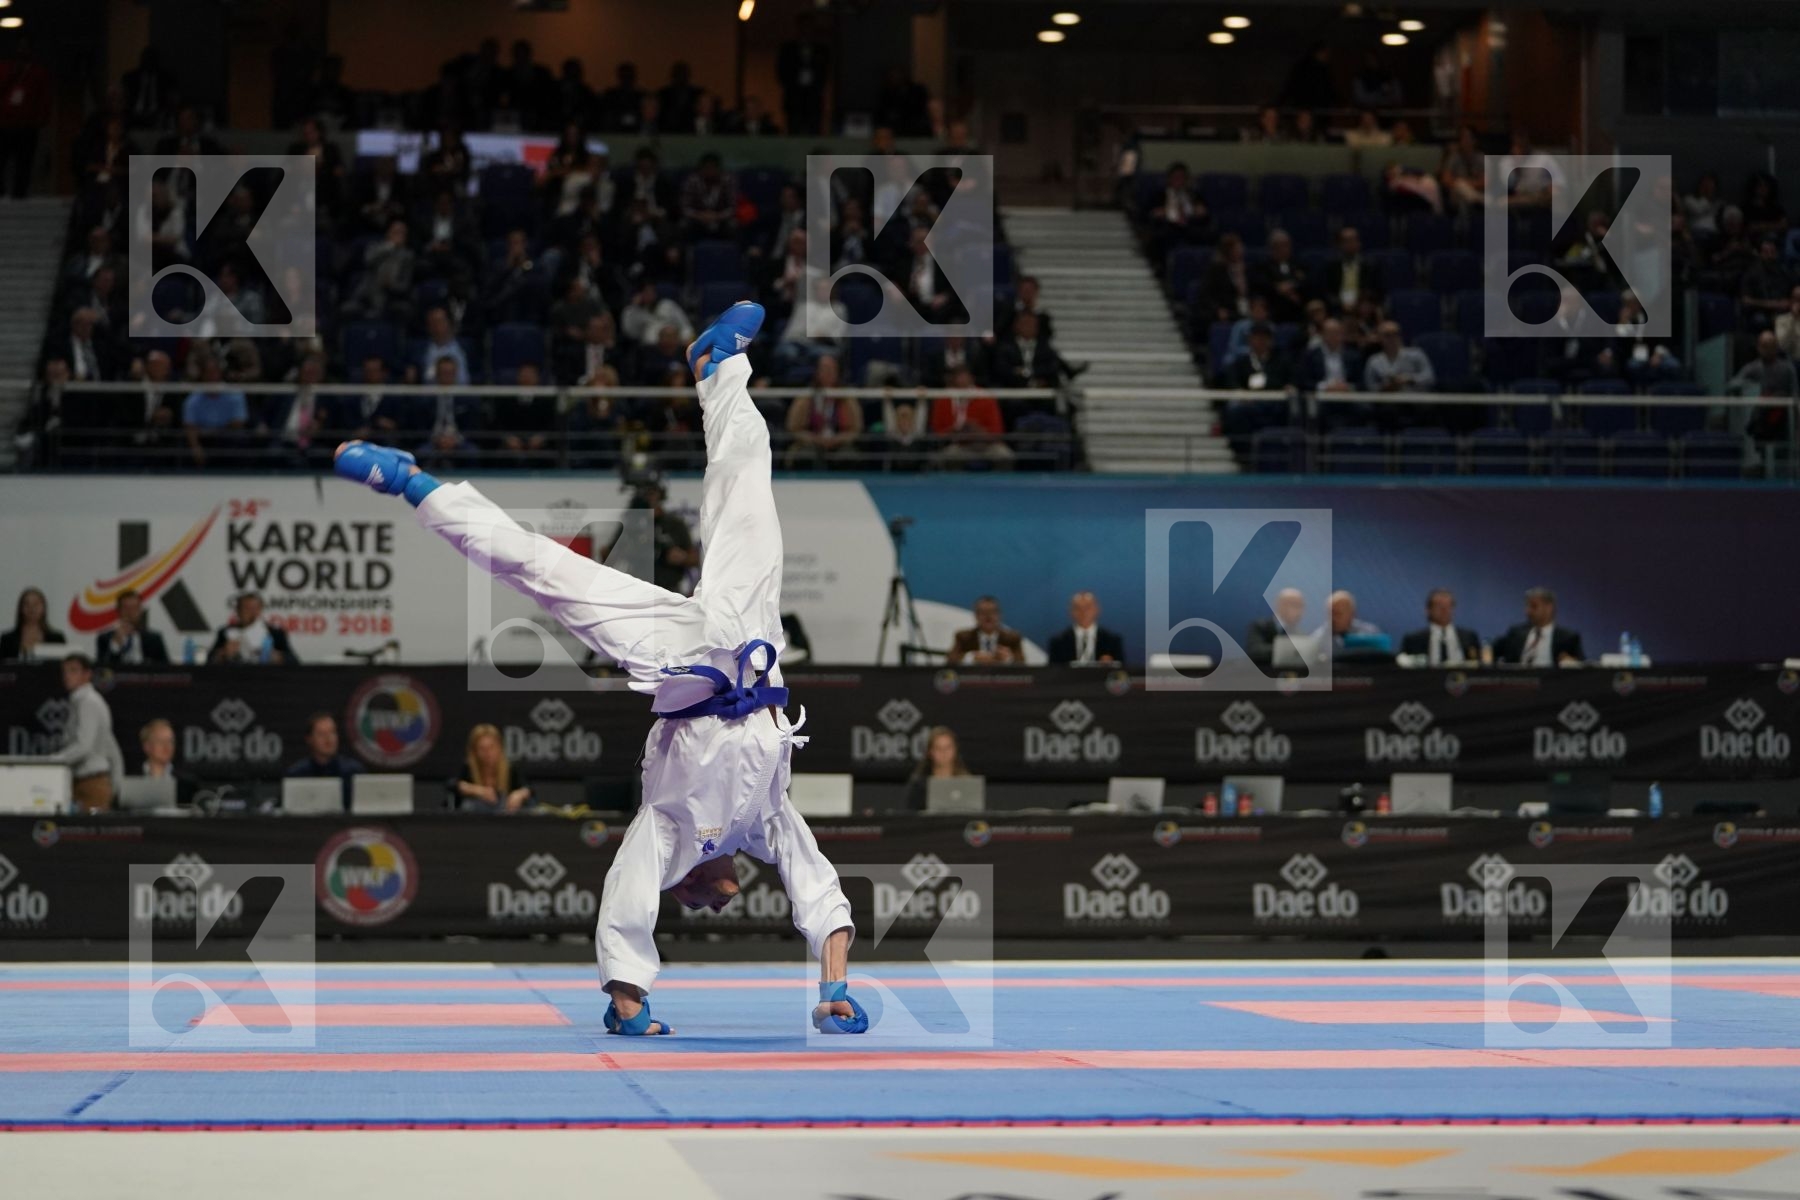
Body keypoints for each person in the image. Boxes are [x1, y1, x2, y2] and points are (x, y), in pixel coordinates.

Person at [332, 302, 867, 1038]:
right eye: (724, 901)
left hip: (678, 663)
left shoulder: (668, 833)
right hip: (749, 641)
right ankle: (720, 367)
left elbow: (625, 899)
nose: (723, 901)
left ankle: (413, 483)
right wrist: (835, 986)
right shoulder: (771, 825)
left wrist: (628, 1004)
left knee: (544, 569)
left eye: (706, 904)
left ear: (688, 889)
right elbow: (823, 897)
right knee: (747, 486)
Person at [53, 654, 124, 812]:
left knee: (91, 835)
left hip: (92, 784)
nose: (67, 676)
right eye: (65, 672)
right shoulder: (80, 701)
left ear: (87, 674)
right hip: (81, 781)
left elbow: (83, 746)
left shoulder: (88, 702)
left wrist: (54, 762)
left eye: (73, 671)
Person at [285, 712, 364, 810]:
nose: (328, 739)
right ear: (309, 739)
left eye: (332, 732)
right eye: (321, 734)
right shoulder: (297, 774)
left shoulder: (353, 772)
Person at [452, 724, 534, 813]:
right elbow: (452, 785)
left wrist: (519, 794)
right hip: (475, 819)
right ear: (474, 751)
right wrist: (478, 790)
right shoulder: (468, 768)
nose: (487, 753)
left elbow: (528, 788)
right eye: (482, 749)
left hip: (505, 819)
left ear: (499, 747)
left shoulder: (510, 769)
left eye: (491, 747)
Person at [1492, 586, 1584, 666]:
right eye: (1527, 606)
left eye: (1534, 606)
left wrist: (1571, 663)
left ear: (1549, 608)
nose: (1528, 611)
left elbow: (1582, 667)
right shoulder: (1516, 633)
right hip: (1518, 683)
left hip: (1550, 684)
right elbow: (1491, 651)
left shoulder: (1568, 638)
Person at [207, 591, 298, 665]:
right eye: (246, 608)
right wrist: (222, 654)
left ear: (260, 610)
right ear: (238, 610)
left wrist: (278, 657)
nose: (251, 612)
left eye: (255, 608)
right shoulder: (225, 632)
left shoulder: (275, 633)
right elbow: (208, 660)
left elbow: (294, 661)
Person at [1399, 589, 1480, 666]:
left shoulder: (1469, 637)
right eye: (1439, 606)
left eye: (1448, 606)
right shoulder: (1413, 640)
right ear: (1428, 610)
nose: (1444, 610)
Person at [1047, 591, 1125, 666]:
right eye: (1078, 608)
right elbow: (1053, 672)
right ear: (1071, 611)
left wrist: (1109, 665)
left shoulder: (1112, 640)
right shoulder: (1058, 642)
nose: (1083, 612)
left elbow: (1121, 673)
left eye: (1088, 607)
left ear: (1097, 610)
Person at [95, 588, 169, 667]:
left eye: (134, 608)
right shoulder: (104, 639)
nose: (130, 613)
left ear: (140, 611)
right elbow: (102, 671)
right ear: (118, 610)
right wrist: (116, 644)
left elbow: (166, 670)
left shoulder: (154, 639)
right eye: (126, 608)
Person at [904, 726, 970, 810]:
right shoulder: (919, 785)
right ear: (930, 752)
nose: (944, 753)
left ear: (955, 750)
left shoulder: (966, 782)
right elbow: (911, 816)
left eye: (948, 747)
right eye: (938, 748)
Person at [947, 595, 1024, 665]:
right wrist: (971, 658)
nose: (988, 617)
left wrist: (1008, 659)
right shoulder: (963, 637)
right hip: (972, 678)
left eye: (992, 612)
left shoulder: (1012, 638)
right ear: (976, 616)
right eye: (983, 612)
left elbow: (1022, 664)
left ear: (999, 615)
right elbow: (950, 661)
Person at [137, 717, 197, 805]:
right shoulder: (131, 779)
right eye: (161, 741)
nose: (167, 747)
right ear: (147, 746)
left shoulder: (187, 784)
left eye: (170, 741)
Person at [1245, 587, 1308, 666]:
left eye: (1301, 607)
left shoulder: (1301, 634)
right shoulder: (1260, 627)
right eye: (1295, 605)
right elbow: (1255, 651)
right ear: (1280, 606)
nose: (1299, 611)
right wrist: (1289, 650)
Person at [2, 586, 67, 661]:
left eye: (36, 604)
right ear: (21, 609)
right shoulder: (8, 639)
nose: (31, 608)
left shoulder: (57, 639)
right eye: (26, 604)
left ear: (44, 608)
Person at [1311, 590, 1384, 652]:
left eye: (1337, 614)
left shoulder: (1370, 634)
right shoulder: (1318, 640)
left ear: (1352, 614)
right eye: (1330, 614)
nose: (1333, 618)